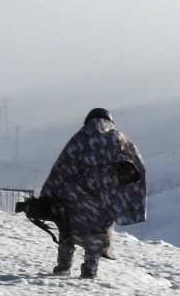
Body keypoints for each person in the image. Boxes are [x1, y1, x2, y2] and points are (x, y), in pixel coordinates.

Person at [38, 108, 147, 279]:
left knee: (67, 230)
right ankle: (89, 270)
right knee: (98, 233)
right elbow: (136, 166)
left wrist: (47, 194)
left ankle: (63, 267)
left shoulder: (80, 138)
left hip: (73, 198)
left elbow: (61, 167)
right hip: (104, 198)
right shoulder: (119, 139)